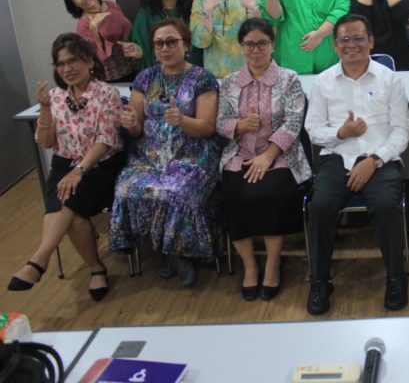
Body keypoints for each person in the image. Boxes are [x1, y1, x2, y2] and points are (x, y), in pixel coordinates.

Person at [304, 14, 409, 315]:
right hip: (336, 156)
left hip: (380, 157)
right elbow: (313, 130)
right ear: (335, 46)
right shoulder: (323, 82)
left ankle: (395, 277)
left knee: (387, 205)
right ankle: (320, 281)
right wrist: (342, 132)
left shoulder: (390, 79)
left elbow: (402, 131)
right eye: (345, 40)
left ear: (371, 42)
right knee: (321, 206)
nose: (352, 44)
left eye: (358, 38)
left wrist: (375, 160)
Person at [7, 33, 123, 301]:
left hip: (99, 165)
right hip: (63, 164)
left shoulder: (107, 93)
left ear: (90, 62)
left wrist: (79, 170)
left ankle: (39, 259)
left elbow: (106, 140)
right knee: (72, 213)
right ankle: (96, 269)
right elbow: (46, 142)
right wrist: (45, 110)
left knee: (68, 202)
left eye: (73, 61)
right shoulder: (55, 97)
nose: (67, 69)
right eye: (60, 64)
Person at [111, 18, 222, 287]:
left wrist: (182, 120)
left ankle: (183, 252)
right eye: (159, 43)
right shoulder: (145, 77)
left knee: (178, 191)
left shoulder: (201, 78)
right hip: (149, 156)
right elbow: (137, 128)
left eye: (171, 41)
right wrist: (131, 124)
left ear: (185, 45)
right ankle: (162, 248)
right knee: (126, 188)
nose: (165, 47)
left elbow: (207, 128)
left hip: (193, 154)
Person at [217, 18, 312, 301]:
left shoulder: (289, 79)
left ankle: (272, 264)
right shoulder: (230, 83)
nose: (256, 50)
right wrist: (239, 126)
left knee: (270, 194)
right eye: (250, 44)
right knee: (232, 197)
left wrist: (268, 156)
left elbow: (294, 122)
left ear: (272, 45)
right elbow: (220, 122)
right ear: (241, 47)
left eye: (262, 43)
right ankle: (249, 265)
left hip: (281, 156)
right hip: (239, 154)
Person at [121, 0, 203, 69]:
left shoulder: (194, 8)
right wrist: (138, 51)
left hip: (193, 72)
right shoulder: (146, 14)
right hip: (161, 76)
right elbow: (142, 49)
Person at [58, 0, 136, 82]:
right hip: (114, 77)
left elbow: (128, 29)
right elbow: (95, 58)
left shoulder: (111, 4)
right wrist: (94, 28)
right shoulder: (83, 25)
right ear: (74, 3)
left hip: (135, 63)